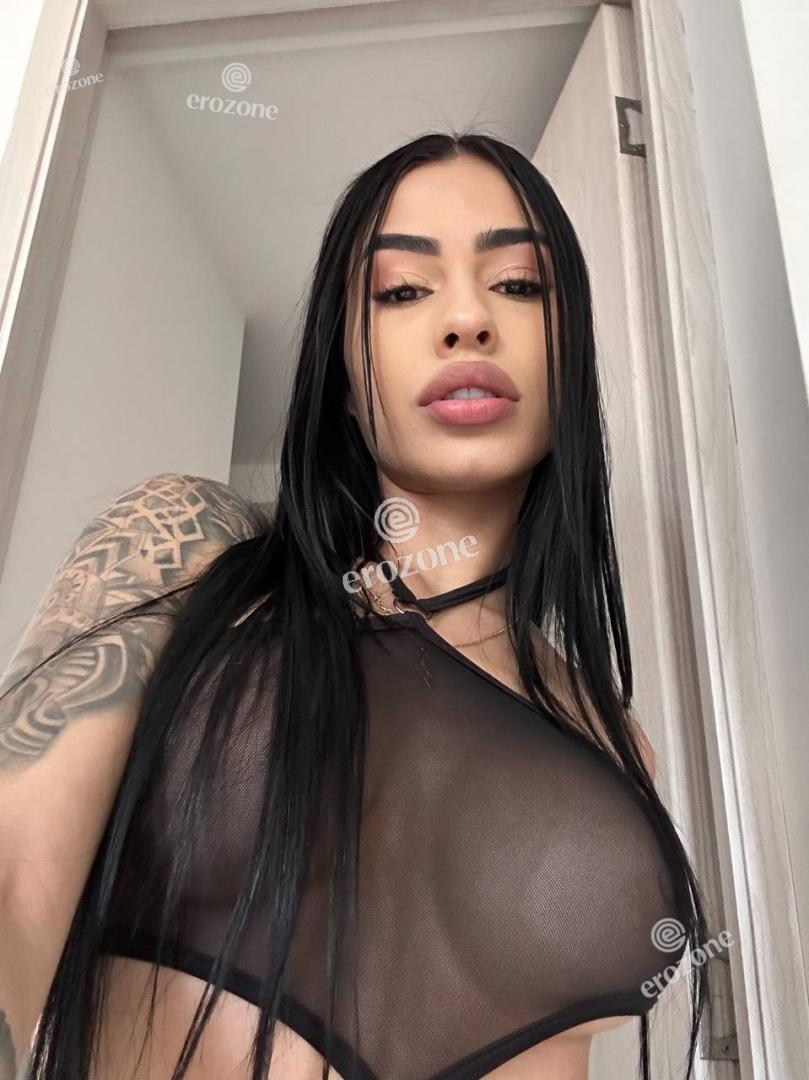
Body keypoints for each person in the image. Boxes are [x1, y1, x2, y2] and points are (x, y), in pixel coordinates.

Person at [0, 131, 710, 1080]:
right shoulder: (187, 545)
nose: (467, 319)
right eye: (402, 291)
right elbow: (12, 872)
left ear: (569, 353)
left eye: (518, 284)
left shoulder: (606, 733)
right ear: (342, 372)